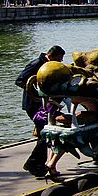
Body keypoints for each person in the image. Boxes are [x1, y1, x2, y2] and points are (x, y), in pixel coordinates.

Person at [16, 45, 65, 176]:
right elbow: (20, 80)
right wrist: (37, 92)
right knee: (45, 134)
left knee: (43, 134)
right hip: (33, 105)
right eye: (59, 59)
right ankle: (33, 163)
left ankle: (38, 165)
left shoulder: (47, 65)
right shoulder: (36, 64)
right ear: (52, 56)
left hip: (43, 105)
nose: (59, 62)